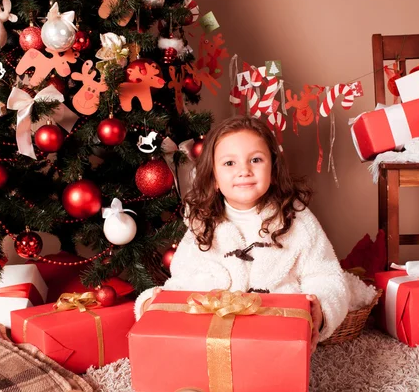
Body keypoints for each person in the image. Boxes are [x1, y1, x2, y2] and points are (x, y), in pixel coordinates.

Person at [134, 115, 350, 352]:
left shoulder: (296, 219)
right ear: (214, 179)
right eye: (229, 163)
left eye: (255, 160)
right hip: (213, 338)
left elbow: (327, 275)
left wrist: (321, 310)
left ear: (274, 170)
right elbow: (184, 281)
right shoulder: (202, 225)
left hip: (277, 335)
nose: (244, 170)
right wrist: (152, 304)